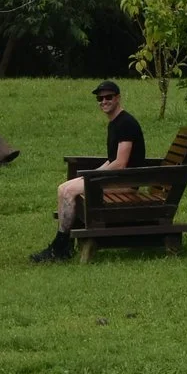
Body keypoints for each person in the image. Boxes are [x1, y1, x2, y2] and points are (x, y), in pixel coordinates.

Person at [31, 80, 145, 263]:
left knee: (69, 191)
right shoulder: (115, 123)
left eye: (108, 97)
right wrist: (91, 173)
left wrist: (94, 177)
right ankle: (63, 245)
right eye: (100, 98)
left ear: (118, 98)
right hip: (115, 179)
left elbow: (120, 163)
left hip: (125, 182)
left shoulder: (126, 124)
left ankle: (60, 248)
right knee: (63, 188)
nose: (104, 101)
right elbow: (111, 160)